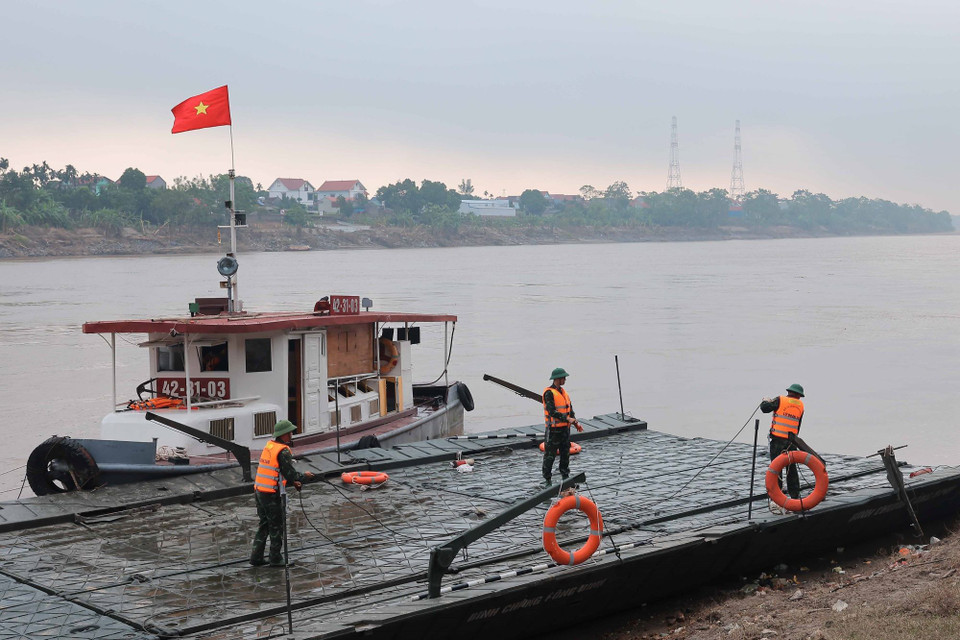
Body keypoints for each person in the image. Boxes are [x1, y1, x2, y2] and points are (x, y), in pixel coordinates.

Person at [250, 419, 314, 567]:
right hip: (271, 494)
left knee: (264, 524)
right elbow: (291, 474)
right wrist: (304, 477)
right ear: (285, 434)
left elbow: (276, 471)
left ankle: (256, 557)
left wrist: (292, 482)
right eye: (290, 432)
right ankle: (275, 558)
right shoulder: (283, 451)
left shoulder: (270, 446)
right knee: (276, 526)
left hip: (259, 490)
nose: (291, 434)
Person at [760, 383, 805, 513]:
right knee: (791, 470)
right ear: (799, 396)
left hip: (777, 441)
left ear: (789, 392)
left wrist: (765, 401)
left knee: (776, 469)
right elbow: (797, 426)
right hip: (791, 441)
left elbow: (765, 408)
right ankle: (795, 497)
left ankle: (776, 500)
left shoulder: (780, 400)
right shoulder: (800, 406)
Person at [541, 367, 583, 484]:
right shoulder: (549, 393)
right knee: (550, 456)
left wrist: (575, 423)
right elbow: (552, 411)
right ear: (557, 379)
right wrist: (566, 418)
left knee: (565, 454)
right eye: (563, 378)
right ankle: (547, 479)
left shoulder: (564, 393)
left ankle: (565, 477)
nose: (565, 379)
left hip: (565, 430)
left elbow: (570, 411)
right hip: (554, 431)